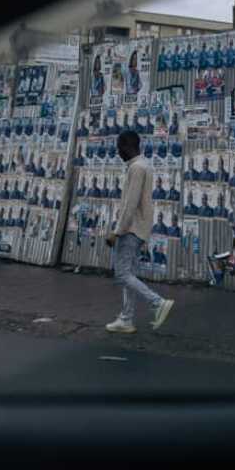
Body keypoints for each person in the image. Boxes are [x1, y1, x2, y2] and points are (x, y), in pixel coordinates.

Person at [103, 131, 175, 333]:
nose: (118, 152)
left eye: (119, 148)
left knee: (122, 273)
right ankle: (126, 319)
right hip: (139, 228)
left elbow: (130, 204)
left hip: (131, 229)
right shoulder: (144, 165)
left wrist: (117, 232)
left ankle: (158, 302)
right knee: (130, 274)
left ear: (127, 146)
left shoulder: (136, 168)